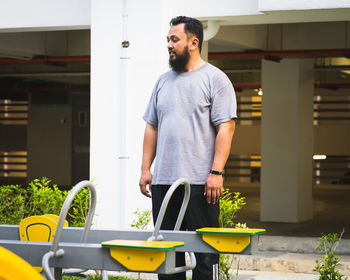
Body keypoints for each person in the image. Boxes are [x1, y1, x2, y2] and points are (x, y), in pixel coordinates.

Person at [139, 16, 237, 280]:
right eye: (168, 40)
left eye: (174, 39)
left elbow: (226, 127)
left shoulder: (216, 79)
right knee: (168, 257)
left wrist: (216, 172)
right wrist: (146, 169)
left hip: (200, 185)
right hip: (164, 184)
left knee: (206, 256)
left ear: (193, 43)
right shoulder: (162, 81)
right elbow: (152, 127)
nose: (169, 45)